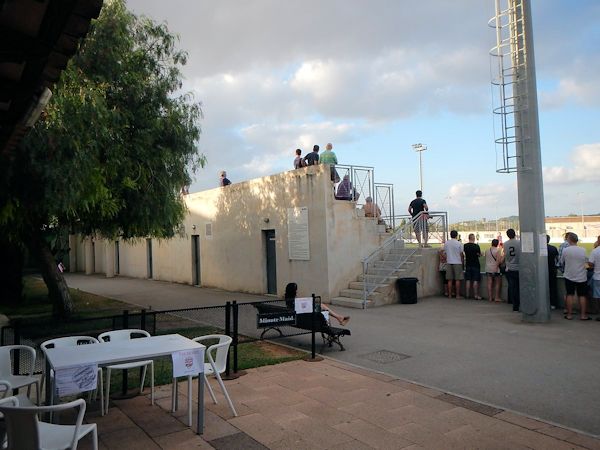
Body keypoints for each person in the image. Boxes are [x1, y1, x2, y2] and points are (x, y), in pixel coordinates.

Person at [284, 282, 350, 326]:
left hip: (301, 318)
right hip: (306, 318)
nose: (297, 291)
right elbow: (302, 309)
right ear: (293, 291)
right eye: (296, 289)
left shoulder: (289, 301)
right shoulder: (294, 301)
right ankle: (339, 318)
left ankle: (339, 318)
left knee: (322, 307)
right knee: (323, 309)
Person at [560, 233, 589, 320]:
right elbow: (586, 261)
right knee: (582, 295)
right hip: (581, 276)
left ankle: (569, 315)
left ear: (569, 239)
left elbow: (561, 262)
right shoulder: (583, 250)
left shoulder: (566, 250)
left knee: (570, 294)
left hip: (569, 275)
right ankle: (583, 315)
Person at [504, 228, 520, 312]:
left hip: (510, 268)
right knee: (520, 288)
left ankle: (515, 306)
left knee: (513, 288)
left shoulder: (505, 244)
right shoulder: (519, 242)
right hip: (519, 268)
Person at [444, 230, 464, 299]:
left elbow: (444, 252)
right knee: (457, 279)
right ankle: (457, 295)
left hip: (449, 262)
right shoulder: (459, 243)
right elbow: (461, 254)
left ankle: (449, 295)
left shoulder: (447, 243)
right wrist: (462, 262)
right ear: (456, 235)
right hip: (457, 262)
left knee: (449, 280)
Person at [464, 233, 482, 299]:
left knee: (468, 280)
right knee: (475, 280)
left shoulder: (465, 246)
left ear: (469, 238)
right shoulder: (476, 246)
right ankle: (476, 295)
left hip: (468, 264)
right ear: (473, 238)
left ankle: (467, 295)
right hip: (475, 264)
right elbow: (479, 254)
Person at [546, 235, 559, 310]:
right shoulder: (553, 248)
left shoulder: (539, 248)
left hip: (543, 270)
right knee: (553, 287)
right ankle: (553, 303)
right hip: (552, 269)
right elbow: (557, 259)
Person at [589, 241, 600, 320]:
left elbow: (590, 263)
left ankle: (597, 312)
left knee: (598, 297)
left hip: (597, 277)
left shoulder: (595, 251)